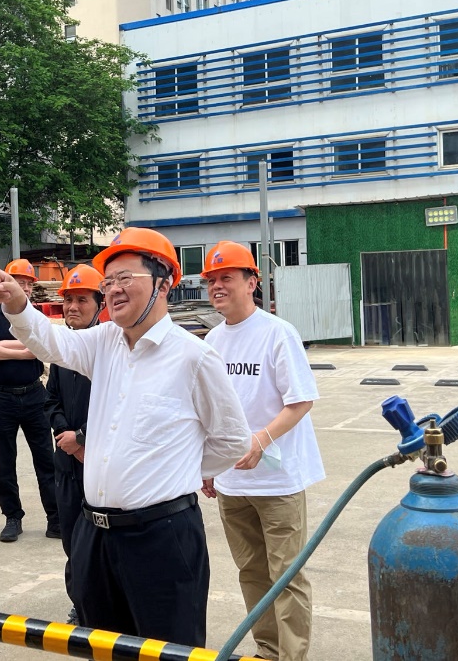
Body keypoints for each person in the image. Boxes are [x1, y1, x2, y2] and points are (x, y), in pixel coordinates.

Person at [0, 228, 252, 648]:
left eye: (126, 277)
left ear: (164, 284)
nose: (113, 289)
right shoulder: (103, 342)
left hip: (162, 538)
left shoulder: (194, 357)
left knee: (167, 651)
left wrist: (178, 469)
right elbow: (52, 343)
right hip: (95, 534)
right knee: (103, 647)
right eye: (108, 281)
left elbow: (232, 440)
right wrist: (17, 303)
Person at [199, 241, 324, 661]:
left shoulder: (277, 332)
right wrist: (208, 465)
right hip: (233, 483)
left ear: (252, 282)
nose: (217, 286)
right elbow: (212, 410)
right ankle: (268, 651)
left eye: (227, 278)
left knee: (286, 575)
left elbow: (301, 401)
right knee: (251, 572)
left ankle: (292, 656)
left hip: (277, 481)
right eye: (212, 280)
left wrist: (261, 439)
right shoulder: (213, 340)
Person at [0, 258, 60, 543]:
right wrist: (23, 350)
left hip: (34, 395)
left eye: (27, 284)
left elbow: (41, 350)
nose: (23, 287)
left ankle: (55, 517)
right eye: (18, 282)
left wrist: (1, 346)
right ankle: (12, 517)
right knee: (4, 461)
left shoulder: (35, 316)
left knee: (46, 459)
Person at [44, 264, 103, 624]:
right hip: (67, 464)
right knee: (71, 540)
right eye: (68, 300)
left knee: (100, 542)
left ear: (99, 304)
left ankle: (100, 607)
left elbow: (118, 407)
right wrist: (66, 435)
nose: (73, 307)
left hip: (100, 465)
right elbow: (51, 400)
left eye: (82, 300)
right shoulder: (63, 352)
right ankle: (79, 604)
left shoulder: (110, 349)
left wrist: (82, 438)